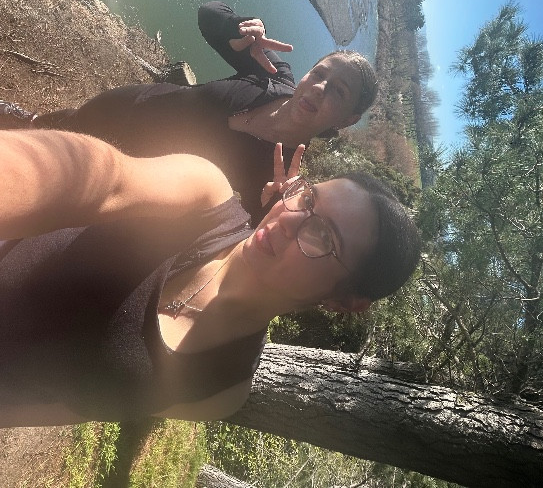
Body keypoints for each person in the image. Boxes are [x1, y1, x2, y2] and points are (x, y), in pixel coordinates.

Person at [0, 130, 421, 427]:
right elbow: (97, 176)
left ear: (345, 301)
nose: (289, 218)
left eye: (324, 235)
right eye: (307, 197)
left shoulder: (219, 390)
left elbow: (63, 405)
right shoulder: (203, 198)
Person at [0, 1, 378, 225]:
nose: (318, 87)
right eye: (320, 73)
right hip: (125, 107)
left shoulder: (280, 176)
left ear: (347, 120)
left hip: (118, 184)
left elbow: (232, 237)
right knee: (50, 129)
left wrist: (269, 213)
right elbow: (208, 14)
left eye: (338, 91)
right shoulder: (271, 75)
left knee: (34, 195)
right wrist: (237, 29)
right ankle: (22, 120)